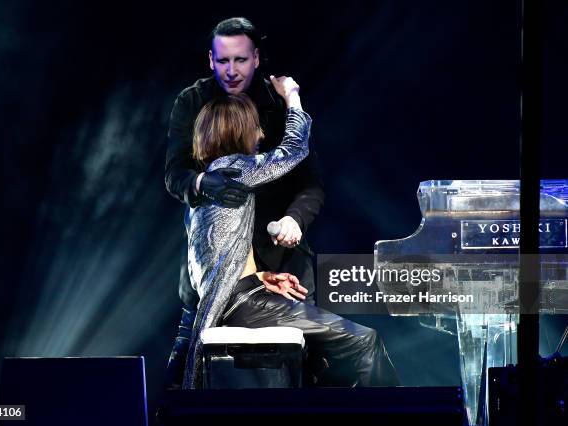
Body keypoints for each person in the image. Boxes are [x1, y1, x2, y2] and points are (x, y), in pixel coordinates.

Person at [182, 79, 399, 389]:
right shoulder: (233, 168)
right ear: (238, 131)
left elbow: (213, 263)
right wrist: (293, 99)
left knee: (331, 355)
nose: (260, 134)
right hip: (246, 306)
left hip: (243, 298)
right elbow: (294, 149)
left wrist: (261, 278)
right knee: (364, 341)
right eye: (254, 127)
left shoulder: (203, 189)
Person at [164, 17, 324, 388]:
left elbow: (310, 181)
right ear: (210, 60)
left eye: (240, 60)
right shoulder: (193, 101)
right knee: (187, 365)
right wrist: (204, 180)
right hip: (217, 265)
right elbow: (175, 176)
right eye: (223, 61)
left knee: (310, 360)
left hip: (278, 260)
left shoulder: (278, 102)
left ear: (256, 59)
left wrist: (294, 220)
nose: (231, 70)